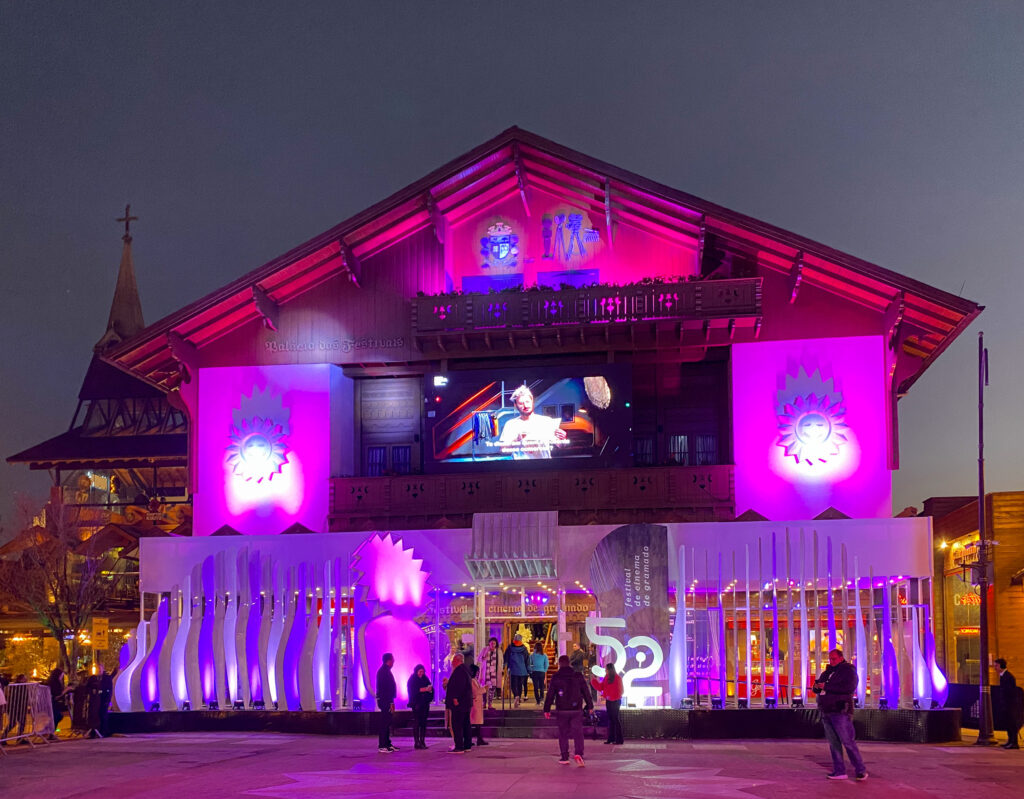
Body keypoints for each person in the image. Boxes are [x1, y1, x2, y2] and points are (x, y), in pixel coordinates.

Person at [813, 649, 867, 781]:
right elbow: (817, 687)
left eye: (834, 659)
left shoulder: (848, 671)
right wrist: (818, 686)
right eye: (830, 659)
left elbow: (849, 688)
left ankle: (860, 770)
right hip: (827, 710)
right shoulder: (828, 672)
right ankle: (839, 771)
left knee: (847, 741)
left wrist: (826, 686)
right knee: (833, 743)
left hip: (840, 710)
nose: (831, 661)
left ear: (841, 658)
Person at [544, 654, 593, 766]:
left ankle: (564, 756)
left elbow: (550, 694)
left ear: (560, 664)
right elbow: (586, 692)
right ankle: (579, 753)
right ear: (569, 663)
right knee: (578, 732)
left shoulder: (556, 677)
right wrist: (590, 706)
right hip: (576, 709)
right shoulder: (578, 675)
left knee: (563, 733)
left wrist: (547, 709)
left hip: (562, 709)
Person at [498, 385, 567, 460]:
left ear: (532, 401)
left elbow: (560, 445)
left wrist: (563, 439)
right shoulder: (511, 424)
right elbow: (502, 450)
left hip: (544, 467)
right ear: (516, 405)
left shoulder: (546, 421)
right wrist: (516, 441)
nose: (525, 405)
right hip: (520, 468)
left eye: (527, 401)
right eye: (521, 403)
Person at [445, 652, 473, 753]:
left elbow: (459, 686)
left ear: (458, 660)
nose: (452, 662)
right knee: (466, 724)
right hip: (465, 703)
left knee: (457, 724)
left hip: (459, 703)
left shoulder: (459, 671)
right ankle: (467, 745)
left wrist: (455, 698)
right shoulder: (465, 670)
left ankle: (459, 746)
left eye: (453, 660)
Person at [592, 663, 624, 745]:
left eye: (606, 669)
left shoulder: (615, 678)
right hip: (612, 701)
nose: (605, 670)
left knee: (614, 719)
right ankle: (613, 739)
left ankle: (616, 739)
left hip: (613, 701)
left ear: (609, 669)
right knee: (613, 720)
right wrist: (594, 681)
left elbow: (620, 690)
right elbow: (600, 687)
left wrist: (611, 696)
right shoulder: (610, 678)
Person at [996, 658, 1022, 749]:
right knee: (1007, 723)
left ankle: (1014, 742)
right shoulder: (1003, 676)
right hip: (1006, 704)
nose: (995, 667)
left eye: (996, 665)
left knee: (1012, 723)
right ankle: (1010, 740)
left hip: (1010, 704)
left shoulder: (1008, 676)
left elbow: (1010, 691)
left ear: (1001, 666)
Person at [407, 663, 433, 750]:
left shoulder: (425, 679)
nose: (421, 673)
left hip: (425, 704)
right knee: (417, 722)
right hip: (417, 704)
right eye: (420, 671)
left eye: (423, 671)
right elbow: (414, 690)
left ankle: (422, 741)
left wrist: (429, 690)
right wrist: (425, 689)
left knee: (423, 723)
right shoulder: (412, 680)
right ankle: (417, 742)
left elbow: (430, 688)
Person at [375, 653, 398, 753]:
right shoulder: (384, 672)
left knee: (387, 722)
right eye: (393, 660)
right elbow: (385, 689)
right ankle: (382, 745)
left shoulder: (385, 671)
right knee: (384, 722)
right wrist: (390, 702)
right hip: (385, 701)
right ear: (389, 660)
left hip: (386, 700)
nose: (394, 662)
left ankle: (387, 743)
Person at [504, 634, 530, 708]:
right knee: (519, 685)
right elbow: (527, 660)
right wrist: (529, 670)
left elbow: (506, 657)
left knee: (513, 684)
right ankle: (518, 698)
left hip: (513, 669)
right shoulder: (524, 649)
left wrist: (505, 665)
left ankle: (516, 696)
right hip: (522, 670)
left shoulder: (510, 648)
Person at [46, 667, 70, 739]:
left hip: (51, 702)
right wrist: (66, 690)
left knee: (56, 716)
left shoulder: (50, 681)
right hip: (53, 702)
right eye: (61, 675)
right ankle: (51, 732)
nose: (62, 677)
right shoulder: (55, 683)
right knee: (58, 716)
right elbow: (57, 694)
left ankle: (51, 732)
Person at [470, 664, 488, 747]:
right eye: (477, 672)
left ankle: (478, 738)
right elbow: (476, 691)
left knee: (477, 723)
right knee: (475, 722)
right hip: (475, 704)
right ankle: (475, 739)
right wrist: (484, 689)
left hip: (477, 703)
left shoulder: (475, 680)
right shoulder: (472, 681)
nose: (478, 673)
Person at [480, 637, 500, 709]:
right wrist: (484, 655)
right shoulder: (485, 649)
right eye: (491, 643)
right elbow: (479, 659)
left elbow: (500, 661)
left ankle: (490, 704)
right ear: (489, 643)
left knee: (492, 689)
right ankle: (484, 703)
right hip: (486, 672)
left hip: (494, 673)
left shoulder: (498, 651)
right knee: (484, 688)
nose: (492, 644)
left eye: (494, 643)